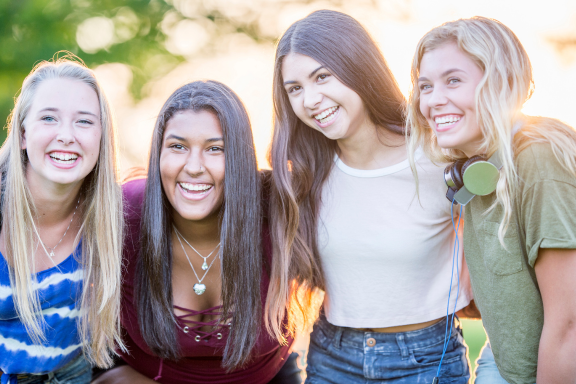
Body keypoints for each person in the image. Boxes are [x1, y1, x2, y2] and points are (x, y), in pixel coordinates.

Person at [266, 10, 474, 383]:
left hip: (425, 361)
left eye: (322, 77)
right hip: (333, 357)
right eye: (295, 88)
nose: (310, 99)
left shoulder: (440, 159)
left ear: (358, 67)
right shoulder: (305, 176)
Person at [93, 81, 300, 384]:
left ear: (241, 159)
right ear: (158, 155)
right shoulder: (123, 214)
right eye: (178, 147)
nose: (193, 167)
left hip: (268, 377)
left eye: (215, 149)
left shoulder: (280, 211)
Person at [408, 16, 576, 383]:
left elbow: (570, 326)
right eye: (425, 86)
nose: (434, 100)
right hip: (501, 362)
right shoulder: (476, 168)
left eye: (453, 80)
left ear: (502, 83)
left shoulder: (538, 162)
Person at [0, 57, 124, 383]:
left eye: (84, 122)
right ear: (23, 134)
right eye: (49, 118)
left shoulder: (116, 215)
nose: (66, 135)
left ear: (101, 136)